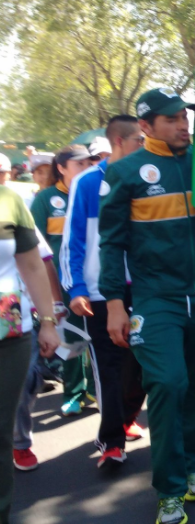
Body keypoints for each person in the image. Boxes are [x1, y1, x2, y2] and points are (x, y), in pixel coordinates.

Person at [98, 88, 195, 524]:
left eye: (184, 118)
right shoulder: (127, 172)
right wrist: (115, 304)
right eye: (171, 119)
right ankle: (169, 489)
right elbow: (111, 244)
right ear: (147, 126)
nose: (182, 125)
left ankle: (192, 469)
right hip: (157, 299)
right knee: (169, 383)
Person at [60, 115, 147, 468]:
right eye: (139, 140)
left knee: (143, 365)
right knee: (109, 369)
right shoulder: (85, 183)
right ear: (120, 143)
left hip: (145, 291)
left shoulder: (149, 175)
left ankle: (125, 420)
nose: (145, 146)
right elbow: (73, 241)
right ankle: (111, 442)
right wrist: (76, 289)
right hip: (98, 295)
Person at [1, 184, 61, 524]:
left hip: (9, 335)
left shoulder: (9, 201)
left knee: (1, 431)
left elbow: (33, 265)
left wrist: (48, 321)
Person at [30, 145, 98, 417]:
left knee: (96, 335)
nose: (85, 169)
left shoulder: (92, 191)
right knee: (70, 338)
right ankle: (73, 392)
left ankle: (95, 386)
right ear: (61, 168)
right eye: (79, 164)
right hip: (60, 282)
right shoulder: (46, 199)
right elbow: (35, 248)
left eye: (88, 164)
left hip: (91, 277)